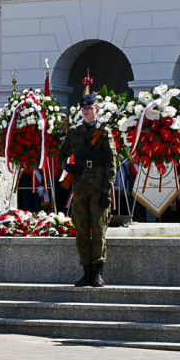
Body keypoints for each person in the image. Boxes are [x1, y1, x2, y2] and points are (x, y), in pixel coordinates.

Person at [58, 95, 116, 287]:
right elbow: (61, 153)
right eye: (83, 109)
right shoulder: (74, 132)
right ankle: (86, 271)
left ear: (96, 110)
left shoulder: (104, 131)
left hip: (98, 187)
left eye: (90, 108)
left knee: (99, 230)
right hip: (80, 187)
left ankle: (98, 273)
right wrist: (68, 167)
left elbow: (111, 163)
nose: (86, 111)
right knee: (82, 230)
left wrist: (107, 191)